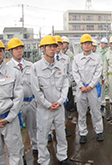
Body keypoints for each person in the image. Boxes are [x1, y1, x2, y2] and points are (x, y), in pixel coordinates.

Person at [31, 35, 71, 165]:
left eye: (54, 46)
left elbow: (65, 84)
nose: (53, 49)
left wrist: (60, 101)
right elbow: (36, 90)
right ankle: (43, 160)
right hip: (44, 108)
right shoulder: (36, 67)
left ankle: (62, 156)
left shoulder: (61, 65)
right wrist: (47, 104)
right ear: (43, 49)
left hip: (59, 107)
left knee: (61, 133)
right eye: (49, 46)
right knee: (42, 136)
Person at [6, 38, 38, 154]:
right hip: (16, 105)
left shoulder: (30, 65)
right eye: (16, 49)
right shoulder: (7, 68)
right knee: (16, 131)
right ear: (10, 51)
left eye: (20, 48)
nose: (19, 51)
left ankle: (36, 147)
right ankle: (20, 153)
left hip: (30, 101)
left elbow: (35, 84)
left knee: (34, 126)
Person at [72, 34, 104, 144]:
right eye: (85, 43)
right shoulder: (76, 58)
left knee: (95, 110)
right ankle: (82, 133)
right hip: (81, 89)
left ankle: (99, 131)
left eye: (89, 43)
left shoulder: (97, 58)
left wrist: (90, 85)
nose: (87, 45)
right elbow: (75, 73)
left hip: (92, 88)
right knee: (81, 112)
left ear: (92, 45)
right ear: (81, 45)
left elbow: (98, 73)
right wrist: (81, 85)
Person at [54, 35, 73, 137]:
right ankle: (49, 132)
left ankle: (63, 128)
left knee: (62, 109)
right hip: (51, 89)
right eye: (55, 44)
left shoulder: (66, 58)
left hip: (63, 88)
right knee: (50, 110)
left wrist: (67, 85)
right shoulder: (48, 58)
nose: (58, 46)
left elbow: (70, 72)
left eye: (60, 44)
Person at [61, 37, 77, 113]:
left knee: (69, 94)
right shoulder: (57, 54)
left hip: (67, 77)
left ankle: (69, 110)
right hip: (59, 78)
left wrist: (71, 78)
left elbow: (71, 66)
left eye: (64, 43)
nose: (63, 45)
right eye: (61, 43)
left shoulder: (70, 54)